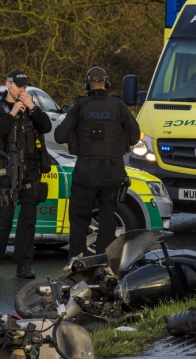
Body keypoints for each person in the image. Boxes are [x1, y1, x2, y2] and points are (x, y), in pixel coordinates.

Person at [54, 67, 140, 257]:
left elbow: (60, 136)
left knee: (79, 220)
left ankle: (76, 262)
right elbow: (134, 136)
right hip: (112, 173)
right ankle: (104, 263)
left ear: (88, 85)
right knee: (108, 219)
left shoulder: (80, 106)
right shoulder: (118, 106)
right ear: (106, 84)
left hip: (85, 174)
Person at [0, 70, 52, 279]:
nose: (22, 91)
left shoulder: (33, 109)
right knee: (4, 217)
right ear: (8, 85)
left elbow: (47, 127)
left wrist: (32, 107)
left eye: (24, 88)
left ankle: (24, 265)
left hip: (31, 169)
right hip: (8, 169)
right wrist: (12, 113)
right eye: (18, 87)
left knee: (28, 219)